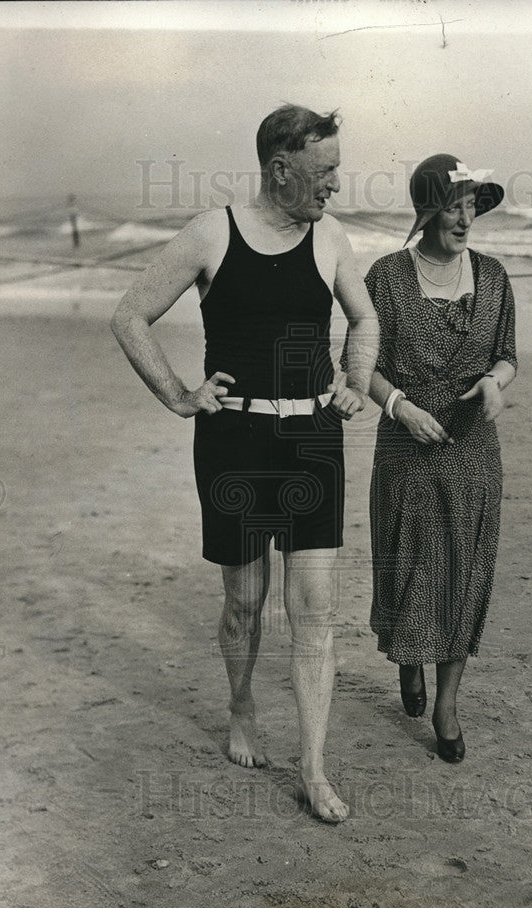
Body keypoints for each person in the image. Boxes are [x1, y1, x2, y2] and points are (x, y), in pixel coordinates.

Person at [111, 105, 379, 822]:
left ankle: (315, 768)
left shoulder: (331, 238)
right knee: (244, 602)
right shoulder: (211, 232)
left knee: (316, 610)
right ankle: (240, 708)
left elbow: (365, 319)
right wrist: (178, 395)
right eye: (323, 173)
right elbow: (130, 315)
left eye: (336, 171)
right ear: (280, 169)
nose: (334, 186)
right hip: (233, 443)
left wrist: (354, 382)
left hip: (312, 443)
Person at [359, 153, 516, 763]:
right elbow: (362, 365)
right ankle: (409, 657)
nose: (466, 218)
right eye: (455, 205)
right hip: (406, 446)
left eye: (472, 205)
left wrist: (496, 384)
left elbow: (507, 354)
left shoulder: (495, 277)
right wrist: (398, 406)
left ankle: (448, 703)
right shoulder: (386, 278)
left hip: (473, 447)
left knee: (466, 570)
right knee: (412, 567)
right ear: (427, 212)